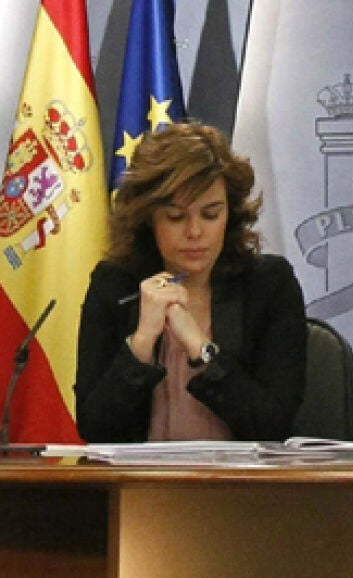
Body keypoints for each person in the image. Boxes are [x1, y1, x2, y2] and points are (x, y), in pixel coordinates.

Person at [74, 122, 306, 442]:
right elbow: (95, 428)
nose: (195, 232)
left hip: (240, 475)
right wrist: (142, 342)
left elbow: (272, 426)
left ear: (230, 214)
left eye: (211, 215)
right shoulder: (115, 285)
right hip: (141, 475)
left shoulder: (268, 285)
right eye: (176, 217)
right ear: (148, 218)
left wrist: (199, 347)